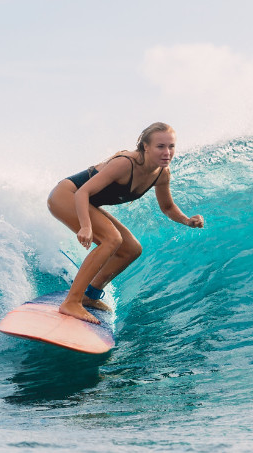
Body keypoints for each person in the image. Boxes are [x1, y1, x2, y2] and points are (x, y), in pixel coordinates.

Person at [47, 122, 204, 324]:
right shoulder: (126, 164)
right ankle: (71, 301)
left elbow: (167, 207)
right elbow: (82, 192)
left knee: (131, 249)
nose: (167, 152)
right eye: (160, 146)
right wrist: (86, 226)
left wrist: (187, 220)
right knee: (112, 239)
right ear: (146, 147)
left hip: (85, 201)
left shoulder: (161, 174)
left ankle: (90, 295)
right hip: (66, 195)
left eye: (171, 146)